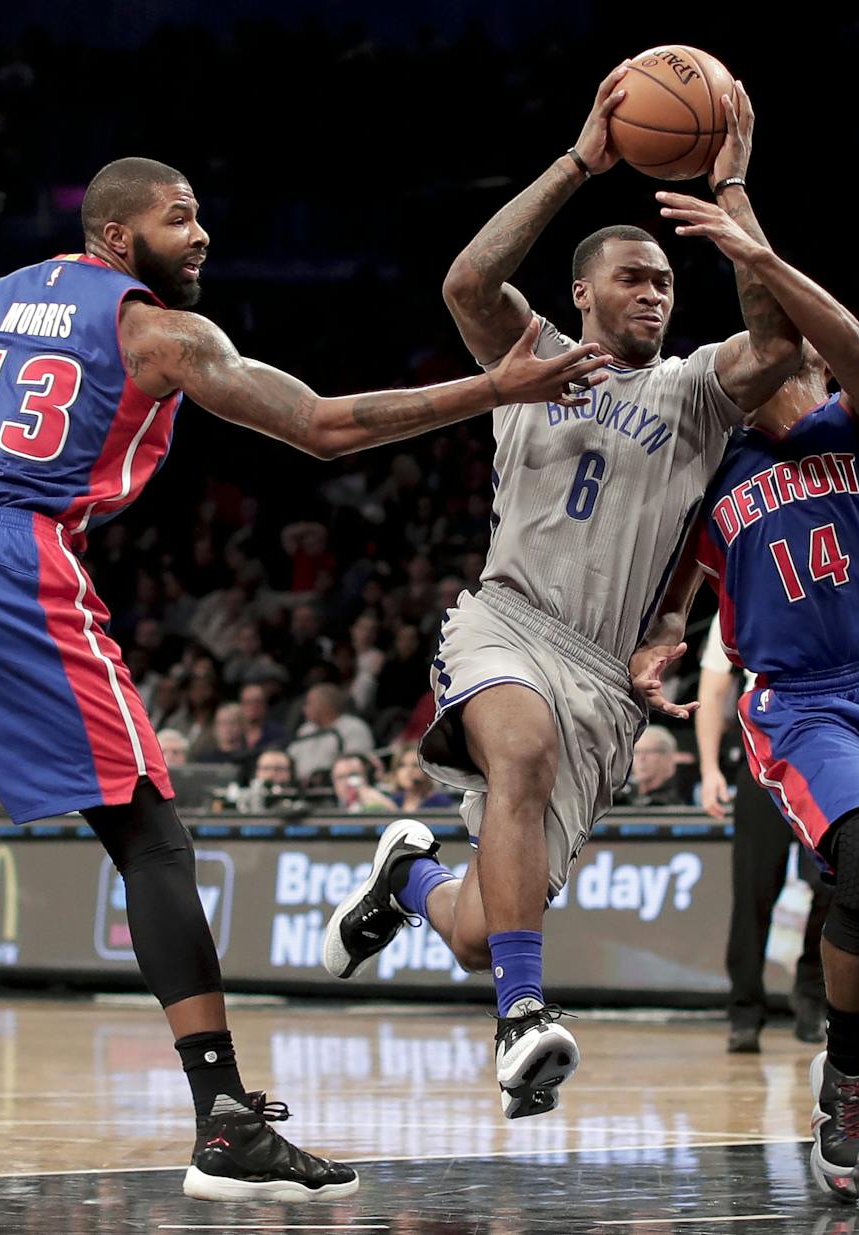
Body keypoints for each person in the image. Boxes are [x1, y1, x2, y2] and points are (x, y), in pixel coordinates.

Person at [0, 155, 608, 1201]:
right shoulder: (155, 332)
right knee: (149, 833)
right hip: (6, 555)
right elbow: (322, 426)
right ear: (115, 236)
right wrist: (495, 388)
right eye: (178, 217)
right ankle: (226, 1119)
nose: (200, 236)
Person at [321, 70, 802, 1119]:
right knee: (521, 749)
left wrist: (732, 192)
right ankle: (522, 1018)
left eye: (664, 283)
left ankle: (406, 878)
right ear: (581, 292)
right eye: (630, 277)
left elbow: (779, 346)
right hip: (506, 620)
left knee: (472, 924)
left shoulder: (693, 389)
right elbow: (464, 283)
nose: (652, 294)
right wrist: (582, 160)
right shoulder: (531, 354)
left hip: (602, 680)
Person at [634, 185, 859, 1202]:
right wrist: (663, 623)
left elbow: (838, 336)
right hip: (798, 700)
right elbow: (680, 574)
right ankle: (839, 1072)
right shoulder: (712, 468)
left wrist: (744, 222)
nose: (771, 353)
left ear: (810, 359)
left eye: (791, 343)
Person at [695, 615, 829, 1054]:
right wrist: (710, 768)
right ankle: (745, 1012)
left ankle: (813, 998)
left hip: (828, 754)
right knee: (754, 891)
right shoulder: (736, 603)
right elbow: (714, 689)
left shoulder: (831, 585)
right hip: (761, 754)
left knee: (836, 886)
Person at [286, 683, 375, 786]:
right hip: (302, 789)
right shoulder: (306, 729)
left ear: (325, 705)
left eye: (309, 703)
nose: (304, 708)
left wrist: (325, 776)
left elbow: (356, 764)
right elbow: (289, 759)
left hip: (335, 788)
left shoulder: (354, 728)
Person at [622, 727, 686, 806]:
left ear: (667, 757)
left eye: (648, 752)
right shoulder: (622, 795)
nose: (641, 758)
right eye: (636, 752)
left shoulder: (682, 794)